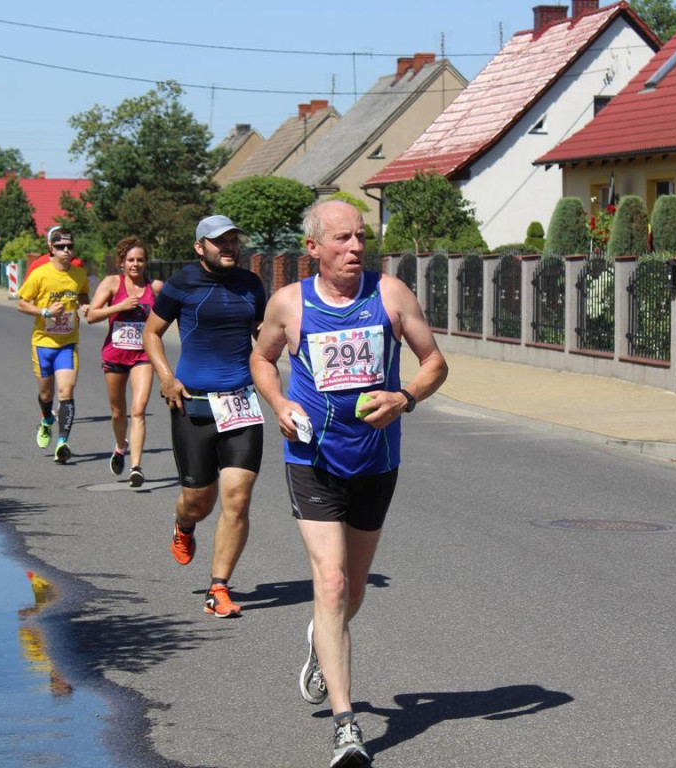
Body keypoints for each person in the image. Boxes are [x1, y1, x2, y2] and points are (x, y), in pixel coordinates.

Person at [250, 200, 448, 768]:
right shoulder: (289, 304)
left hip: (376, 459)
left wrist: (405, 396)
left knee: (351, 591)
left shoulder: (390, 296)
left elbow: (434, 362)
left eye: (360, 236)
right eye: (342, 238)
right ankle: (346, 726)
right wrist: (280, 402)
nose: (355, 247)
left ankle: (320, 640)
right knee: (332, 583)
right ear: (313, 248)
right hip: (310, 457)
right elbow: (261, 360)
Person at [142, 214, 267, 619]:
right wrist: (166, 378)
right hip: (193, 404)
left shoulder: (252, 284)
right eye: (219, 241)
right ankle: (183, 524)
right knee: (199, 502)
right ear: (201, 247)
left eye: (233, 240)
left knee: (237, 497)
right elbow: (152, 333)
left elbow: (263, 333)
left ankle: (218, 588)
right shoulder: (183, 283)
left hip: (241, 404)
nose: (229, 247)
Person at [86, 236, 163, 488]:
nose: (135, 264)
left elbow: (174, 310)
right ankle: (121, 446)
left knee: (138, 409)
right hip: (115, 355)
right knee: (118, 411)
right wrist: (119, 306)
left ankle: (136, 467)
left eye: (140, 260)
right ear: (122, 262)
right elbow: (92, 316)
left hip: (143, 356)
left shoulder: (156, 288)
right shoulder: (111, 283)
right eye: (130, 260)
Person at [16, 227, 90, 464]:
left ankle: (62, 443)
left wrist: (84, 307)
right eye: (60, 247)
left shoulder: (79, 274)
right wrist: (45, 311)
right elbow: (21, 303)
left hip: (67, 343)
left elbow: (84, 295)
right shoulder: (40, 274)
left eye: (69, 246)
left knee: (66, 392)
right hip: (43, 343)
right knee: (46, 394)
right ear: (51, 249)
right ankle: (46, 419)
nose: (66, 251)